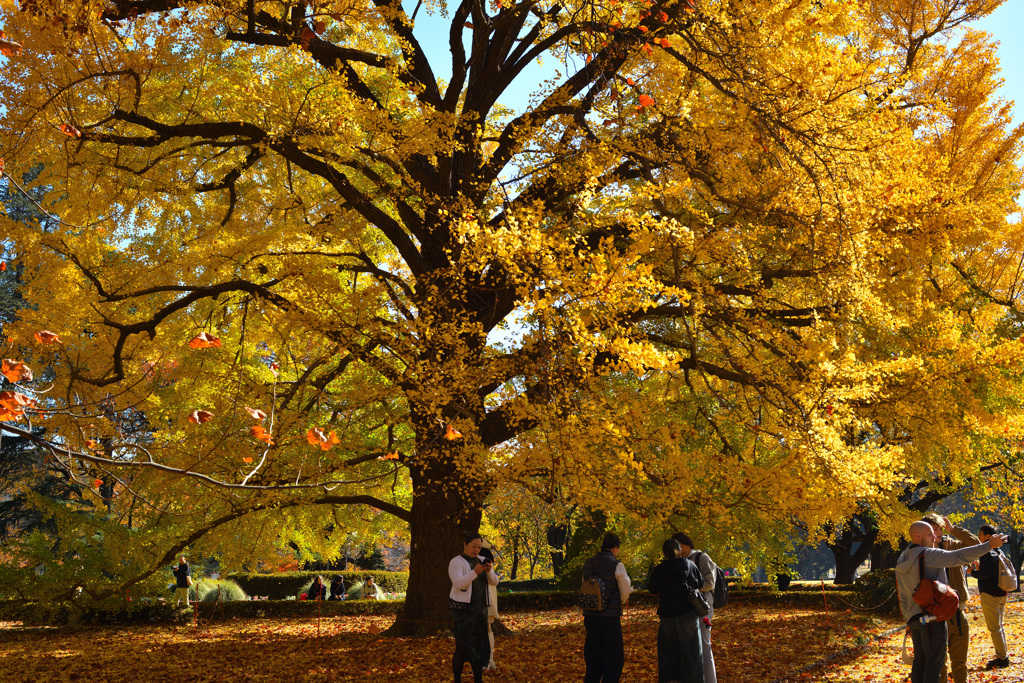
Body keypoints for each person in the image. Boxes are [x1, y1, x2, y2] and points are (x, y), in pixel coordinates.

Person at [896, 521, 1007, 683]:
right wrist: (989, 545)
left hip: (915, 619)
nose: (934, 536)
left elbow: (902, 595)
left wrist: (908, 620)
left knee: (920, 663)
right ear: (917, 536)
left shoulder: (903, 558)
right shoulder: (927, 554)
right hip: (932, 619)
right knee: (934, 665)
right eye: (930, 534)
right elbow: (958, 557)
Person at [921, 513, 979, 683]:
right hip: (934, 613)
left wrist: (953, 529)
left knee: (960, 662)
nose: (937, 532)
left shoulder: (951, 545)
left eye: (939, 528)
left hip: (957, 611)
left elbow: (976, 544)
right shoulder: (921, 552)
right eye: (933, 529)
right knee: (939, 663)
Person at [648, 538, 704, 683]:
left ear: (664, 553)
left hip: (667, 616)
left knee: (668, 656)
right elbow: (700, 582)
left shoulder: (660, 569)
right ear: (679, 550)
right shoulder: (690, 565)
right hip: (688, 615)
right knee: (692, 656)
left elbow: (652, 588)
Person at [582, 532, 633, 683]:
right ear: (615, 548)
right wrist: (620, 602)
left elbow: (584, 586)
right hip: (610, 618)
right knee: (614, 658)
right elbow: (625, 591)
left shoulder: (588, 563)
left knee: (593, 657)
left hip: (590, 616)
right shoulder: (617, 565)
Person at [449, 532, 499, 683]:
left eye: (478, 547)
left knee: (478, 648)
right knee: (462, 647)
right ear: (465, 544)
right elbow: (458, 583)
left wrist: (489, 571)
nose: (476, 550)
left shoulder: (483, 560)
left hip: (479, 611)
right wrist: (474, 572)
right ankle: (457, 680)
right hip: (463, 611)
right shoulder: (456, 562)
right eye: (473, 546)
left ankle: (478, 680)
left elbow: (495, 582)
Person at [673, 533, 717, 683]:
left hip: (704, 609)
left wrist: (692, 588)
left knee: (705, 647)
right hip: (687, 611)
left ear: (687, 543)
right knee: (691, 650)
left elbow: (710, 582)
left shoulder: (702, 558)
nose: (679, 551)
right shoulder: (679, 561)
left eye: (681, 547)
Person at [972, 524, 1012, 669]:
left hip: (991, 594)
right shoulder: (999, 551)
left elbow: (985, 575)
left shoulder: (986, 552)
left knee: (995, 628)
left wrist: (972, 571)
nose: (979, 536)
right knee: (999, 627)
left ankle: (1002, 659)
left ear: (987, 536)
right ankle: (1003, 655)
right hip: (1002, 592)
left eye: (980, 533)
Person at [478, 546, 499, 671]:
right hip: (475, 602)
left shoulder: (489, 570)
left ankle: (489, 661)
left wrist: (488, 570)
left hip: (486, 603)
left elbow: (494, 581)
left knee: (487, 629)